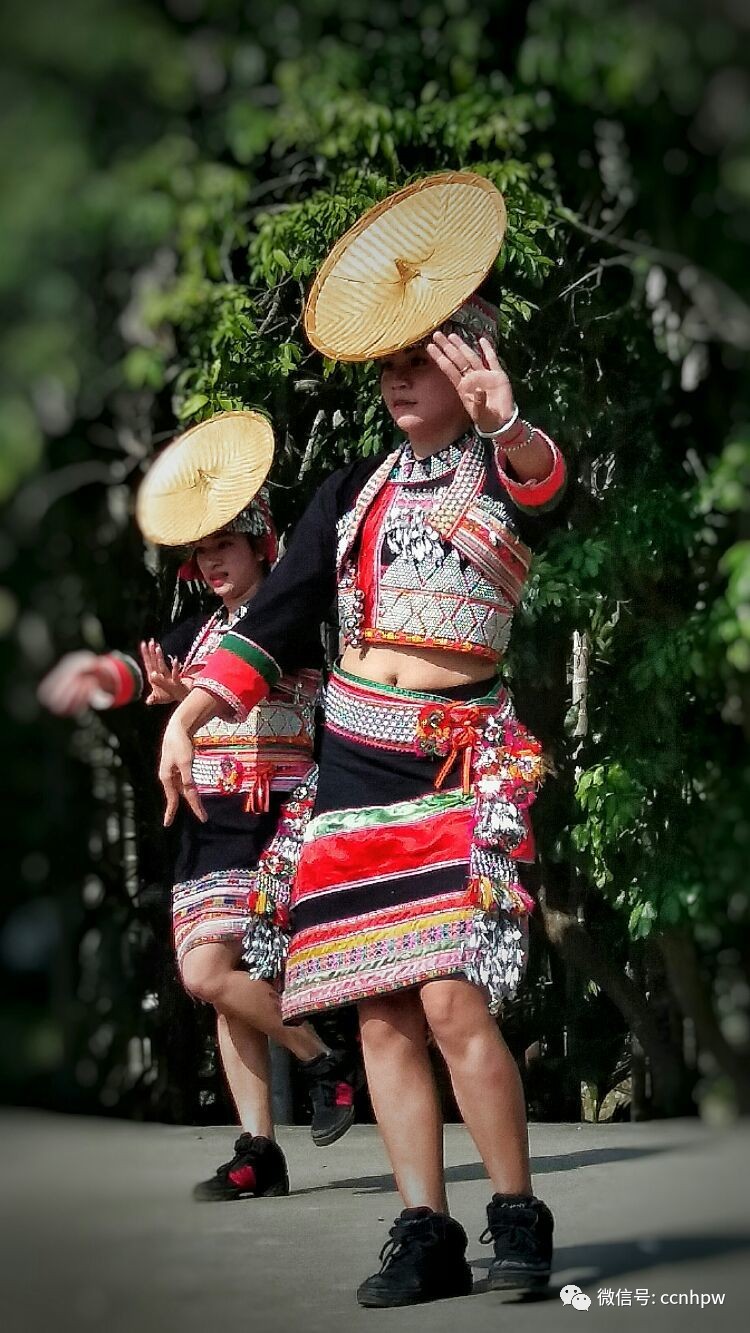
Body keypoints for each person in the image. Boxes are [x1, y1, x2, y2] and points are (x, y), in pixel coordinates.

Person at [157, 177, 567, 1304]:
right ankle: (423, 1228)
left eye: (417, 360)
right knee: (380, 1006)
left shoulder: (500, 463)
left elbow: (545, 491)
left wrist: (508, 424)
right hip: (351, 764)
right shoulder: (348, 490)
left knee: (449, 1000)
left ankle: (516, 1213)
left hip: (452, 756)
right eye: (384, 364)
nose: (395, 378)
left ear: (467, 364)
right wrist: (192, 711)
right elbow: (277, 621)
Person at [39, 418, 357, 1203]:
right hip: (208, 821)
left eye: (229, 544)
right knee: (217, 986)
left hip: (272, 819)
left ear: (261, 546)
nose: (213, 559)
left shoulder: (283, 618)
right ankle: (260, 1149)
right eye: (203, 549)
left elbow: (247, 676)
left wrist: (194, 697)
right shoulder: (200, 629)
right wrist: (103, 674)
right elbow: (147, 668)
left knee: (208, 972)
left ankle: (325, 1060)